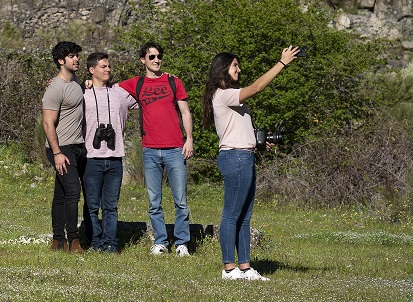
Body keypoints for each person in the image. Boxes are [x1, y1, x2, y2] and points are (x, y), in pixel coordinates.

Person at [203, 46, 300, 281]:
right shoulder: (223, 94)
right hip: (235, 158)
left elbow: (236, 129)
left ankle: (245, 268)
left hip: (244, 156)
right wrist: (282, 63)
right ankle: (229, 269)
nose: (239, 69)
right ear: (222, 69)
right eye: (235, 65)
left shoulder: (229, 96)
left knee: (244, 216)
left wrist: (258, 142)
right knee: (231, 215)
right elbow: (256, 88)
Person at [119, 42, 194, 256]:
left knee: (181, 201)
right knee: (154, 202)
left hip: (175, 149)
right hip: (150, 150)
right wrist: (87, 82)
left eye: (159, 56)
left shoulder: (173, 81)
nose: (156, 60)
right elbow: (107, 87)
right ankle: (160, 242)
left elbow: (185, 112)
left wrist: (189, 139)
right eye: (151, 56)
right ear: (142, 60)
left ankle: (181, 243)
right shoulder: (137, 83)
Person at [81, 51, 137, 252]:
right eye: (103, 66)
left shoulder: (120, 93)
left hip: (115, 157)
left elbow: (146, 95)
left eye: (109, 66)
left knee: (111, 206)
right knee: (91, 206)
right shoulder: (82, 92)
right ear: (91, 69)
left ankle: (111, 243)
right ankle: (95, 243)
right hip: (91, 158)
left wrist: (164, 78)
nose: (108, 69)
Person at [42, 40, 87, 253]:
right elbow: (47, 123)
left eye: (77, 55)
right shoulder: (55, 88)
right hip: (61, 148)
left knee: (61, 194)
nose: (76, 59)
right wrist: (57, 153)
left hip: (77, 146)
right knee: (73, 192)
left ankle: (58, 241)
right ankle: (74, 241)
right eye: (71, 56)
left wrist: (87, 83)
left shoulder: (75, 81)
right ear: (61, 61)